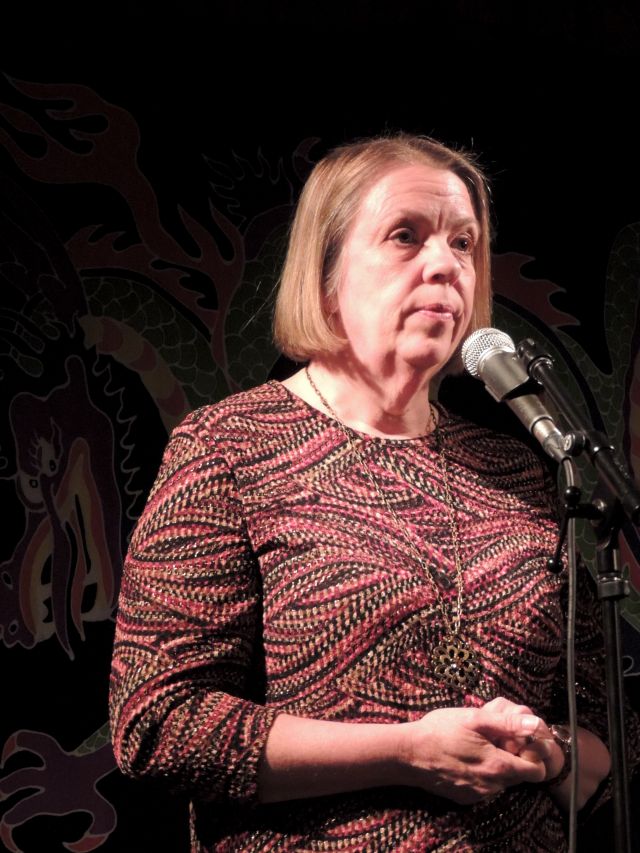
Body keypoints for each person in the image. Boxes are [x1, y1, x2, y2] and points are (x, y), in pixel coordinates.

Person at [109, 133, 627, 851]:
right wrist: (406, 751)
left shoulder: (518, 470)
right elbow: (160, 726)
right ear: (325, 277)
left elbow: (607, 731)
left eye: (464, 243)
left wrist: (551, 751)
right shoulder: (229, 447)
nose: (445, 265)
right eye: (405, 236)